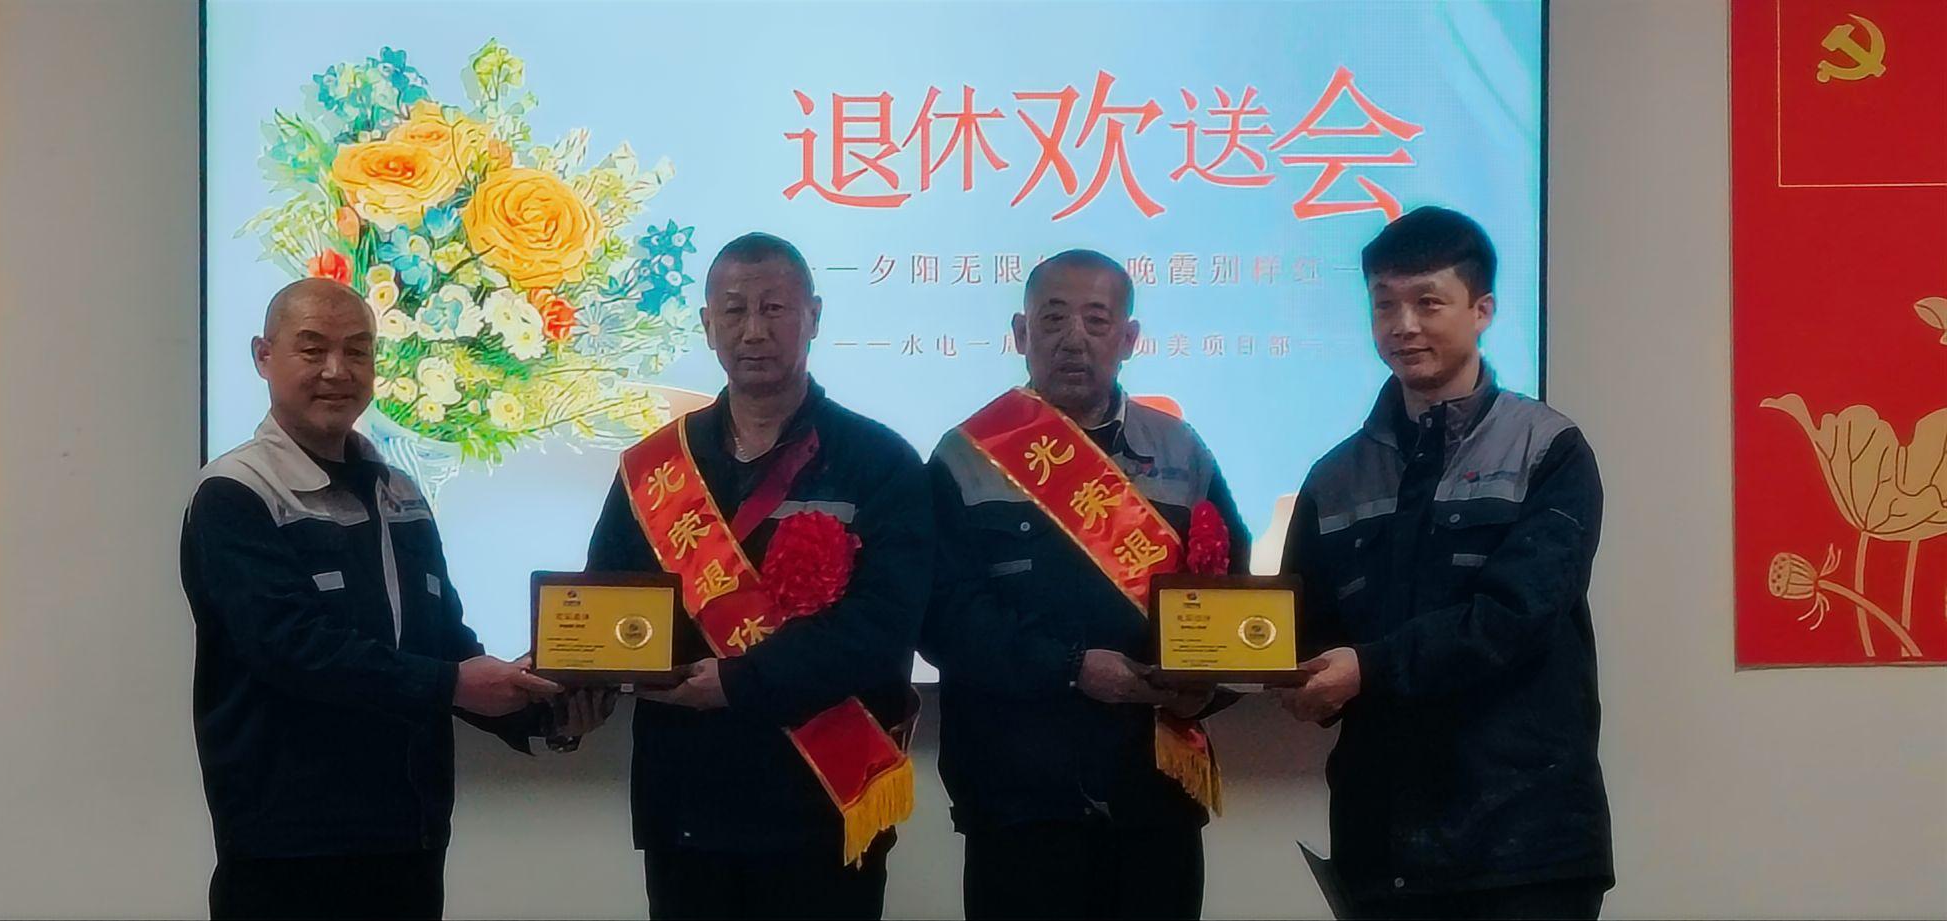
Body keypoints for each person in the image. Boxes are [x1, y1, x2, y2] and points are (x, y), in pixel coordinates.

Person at [180, 278, 565, 920]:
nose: (338, 370)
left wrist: (538, 709)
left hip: (408, 839)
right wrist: (452, 684)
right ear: (263, 356)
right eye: (313, 349)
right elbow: (292, 649)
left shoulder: (401, 492)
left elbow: (444, 640)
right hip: (289, 849)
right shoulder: (235, 492)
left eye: (358, 351)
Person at [578, 233, 931, 920]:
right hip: (687, 805)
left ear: (814, 317)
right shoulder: (654, 467)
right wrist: (574, 678)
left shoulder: (879, 462)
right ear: (707, 323)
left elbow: (885, 626)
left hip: (821, 804)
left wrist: (740, 682)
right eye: (734, 310)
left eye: (774, 308)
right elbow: (610, 603)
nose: (754, 330)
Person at [1282, 207, 1613, 920]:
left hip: (1522, 848)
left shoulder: (1549, 450)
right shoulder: (1333, 477)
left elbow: (1515, 616)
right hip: (1382, 847)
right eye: (1384, 305)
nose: (1403, 325)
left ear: (1481, 310)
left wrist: (1367, 668)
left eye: (1427, 302)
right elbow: (1304, 628)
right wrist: (1274, 672)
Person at [923, 250, 1251, 920]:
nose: (1074, 338)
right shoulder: (965, 456)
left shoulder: (1182, 451)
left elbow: (1234, 589)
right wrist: (1072, 667)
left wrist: (1206, 686)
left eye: (1097, 321)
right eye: (1053, 319)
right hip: (1018, 802)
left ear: (1128, 338)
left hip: (1153, 796)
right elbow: (945, 617)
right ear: (1021, 333)